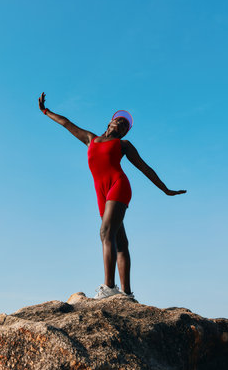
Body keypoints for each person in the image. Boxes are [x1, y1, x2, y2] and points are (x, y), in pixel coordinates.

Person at [38, 92, 187, 300]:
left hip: (118, 186)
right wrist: (46, 111)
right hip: (101, 192)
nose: (122, 124)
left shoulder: (124, 145)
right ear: (110, 121)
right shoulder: (91, 139)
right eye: (120, 120)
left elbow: (145, 168)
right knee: (120, 241)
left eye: (126, 125)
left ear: (125, 132)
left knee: (105, 232)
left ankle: (109, 288)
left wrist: (165, 189)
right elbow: (66, 123)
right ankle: (126, 294)